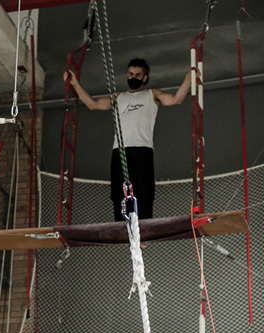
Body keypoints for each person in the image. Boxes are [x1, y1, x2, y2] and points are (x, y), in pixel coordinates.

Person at [64, 58, 197, 221]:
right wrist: (74, 83)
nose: (133, 77)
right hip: (120, 150)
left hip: (143, 150)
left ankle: (145, 229)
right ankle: (123, 226)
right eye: (131, 74)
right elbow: (93, 104)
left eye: (138, 75)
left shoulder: (152, 94)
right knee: (119, 191)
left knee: (144, 190)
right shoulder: (118, 97)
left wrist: (188, 79)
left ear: (145, 77)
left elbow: (177, 99)